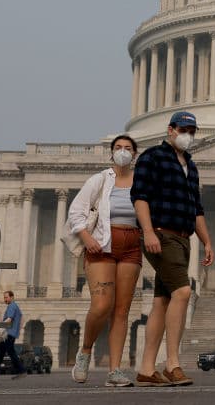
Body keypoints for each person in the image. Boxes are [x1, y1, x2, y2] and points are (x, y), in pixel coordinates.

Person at [132, 110, 215, 387]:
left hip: (182, 237)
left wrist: (207, 241)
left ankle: (146, 369)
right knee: (183, 291)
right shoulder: (151, 157)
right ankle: (172, 363)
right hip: (160, 234)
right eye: (183, 130)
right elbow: (140, 196)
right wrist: (147, 231)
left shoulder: (190, 166)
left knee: (161, 302)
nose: (187, 136)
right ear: (170, 130)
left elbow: (197, 209)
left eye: (192, 132)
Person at [69, 134, 142, 388]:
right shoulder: (99, 180)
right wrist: (87, 237)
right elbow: (76, 211)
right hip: (102, 245)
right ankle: (85, 351)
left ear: (135, 154)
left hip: (132, 246)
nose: (123, 151)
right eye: (119, 148)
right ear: (112, 153)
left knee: (122, 312)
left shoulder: (143, 182)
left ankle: (115, 371)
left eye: (128, 148)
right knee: (102, 305)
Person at [0, 291, 26, 379]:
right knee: (1, 353)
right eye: (4, 297)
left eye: (6, 297)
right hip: (10, 333)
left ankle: (22, 370)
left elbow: (9, 320)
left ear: (12, 297)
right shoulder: (13, 306)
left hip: (8, 334)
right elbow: (22, 318)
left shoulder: (12, 306)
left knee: (9, 353)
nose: (5, 299)